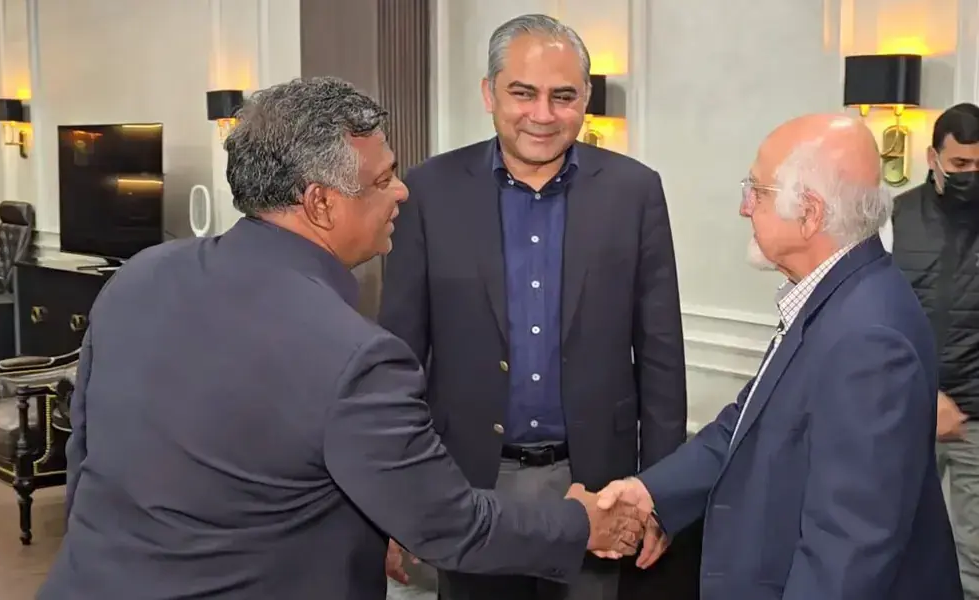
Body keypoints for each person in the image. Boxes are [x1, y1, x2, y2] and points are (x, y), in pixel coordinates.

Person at [36, 77, 648, 600]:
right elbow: (450, 524)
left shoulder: (140, 275)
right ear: (321, 204)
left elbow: (85, 458)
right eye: (382, 180)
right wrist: (579, 523)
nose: (401, 191)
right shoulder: (355, 356)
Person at [378, 13, 687, 600]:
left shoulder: (635, 190)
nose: (543, 114)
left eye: (562, 96)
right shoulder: (429, 191)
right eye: (523, 93)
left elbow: (661, 356)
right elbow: (401, 358)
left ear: (586, 99)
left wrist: (662, 494)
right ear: (489, 93)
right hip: (471, 486)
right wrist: (396, 495)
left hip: (598, 487)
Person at [594, 113, 964, 599]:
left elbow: (846, 551)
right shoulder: (837, 296)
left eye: (756, 191)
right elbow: (747, 424)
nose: (744, 207)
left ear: (808, 213)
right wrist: (651, 493)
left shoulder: (868, 337)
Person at [885, 102, 979, 598]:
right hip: (903, 407)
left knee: (974, 557)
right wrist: (925, 392)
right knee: (890, 537)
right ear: (933, 158)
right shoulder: (895, 216)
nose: (971, 175)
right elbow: (877, 316)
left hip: (974, 418)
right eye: (961, 163)